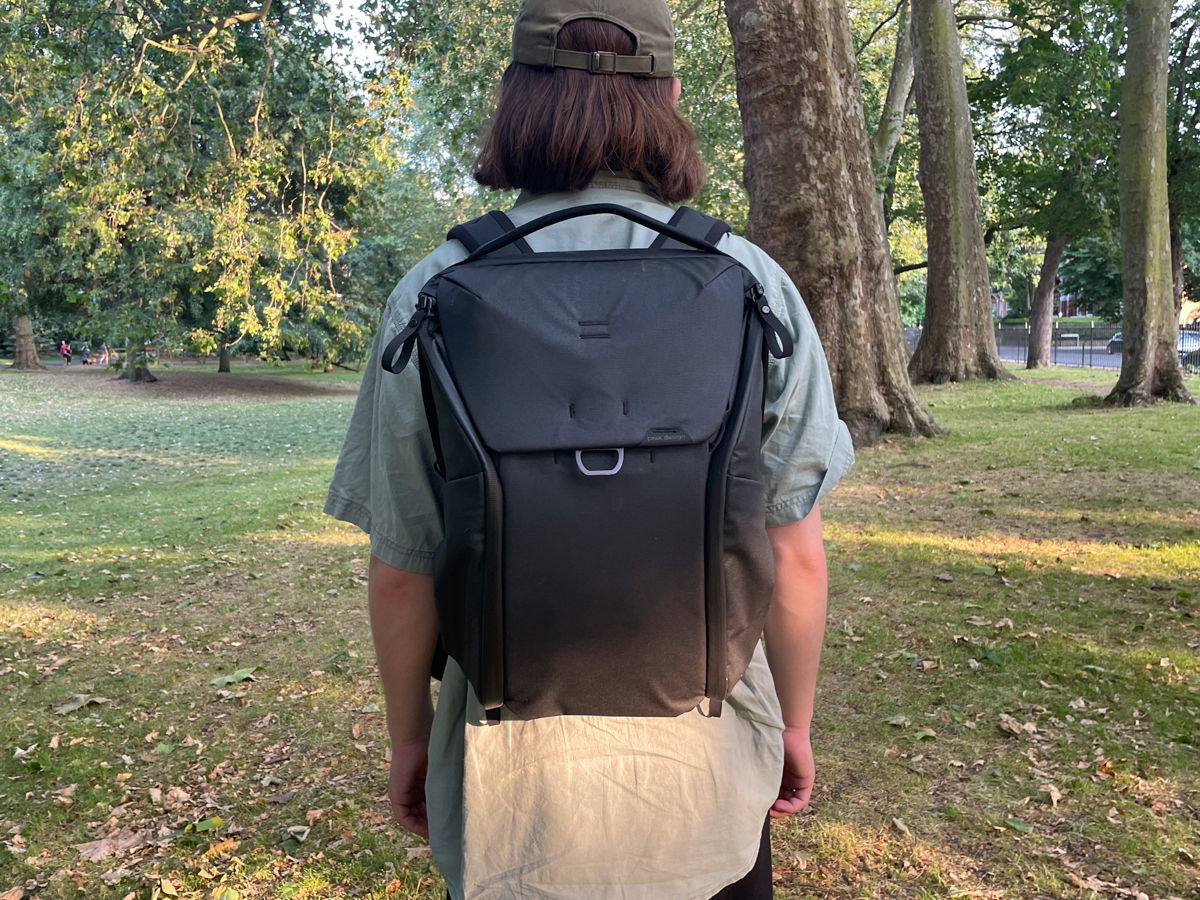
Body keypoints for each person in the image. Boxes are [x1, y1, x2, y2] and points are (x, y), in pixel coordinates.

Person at [325, 2, 854, 897]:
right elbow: (794, 553)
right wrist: (793, 727)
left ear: (515, 98)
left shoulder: (436, 287)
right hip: (708, 772)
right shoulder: (752, 282)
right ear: (673, 96)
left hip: (515, 793)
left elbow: (403, 568)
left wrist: (410, 742)